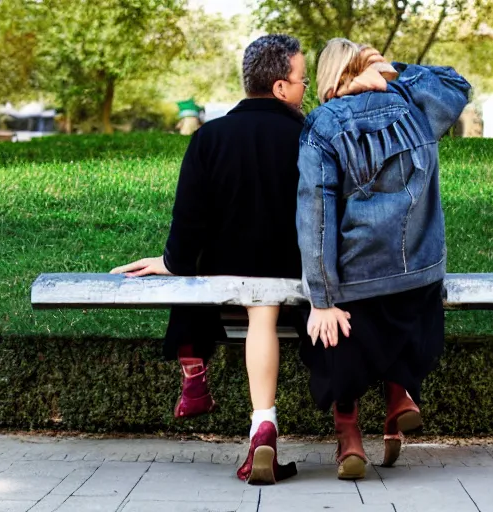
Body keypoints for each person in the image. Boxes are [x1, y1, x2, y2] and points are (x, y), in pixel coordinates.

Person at [111, 34, 308, 484]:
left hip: (225, 274)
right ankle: (269, 425)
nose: (305, 89)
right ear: (280, 88)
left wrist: (171, 262)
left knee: (247, 297)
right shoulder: (309, 134)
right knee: (267, 305)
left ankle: (204, 380)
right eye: (301, 80)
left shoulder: (210, 137)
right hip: (295, 272)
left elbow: (190, 218)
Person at [297, 38, 471, 480]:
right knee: (406, 315)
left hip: (358, 279)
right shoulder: (415, 107)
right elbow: (456, 83)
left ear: (329, 78)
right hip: (420, 274)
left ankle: (349, 438)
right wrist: (394, 69)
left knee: (334, 336)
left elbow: (315, 212)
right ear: (365, 68)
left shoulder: (322, 124)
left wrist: (322, 296)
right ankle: (400, 395)